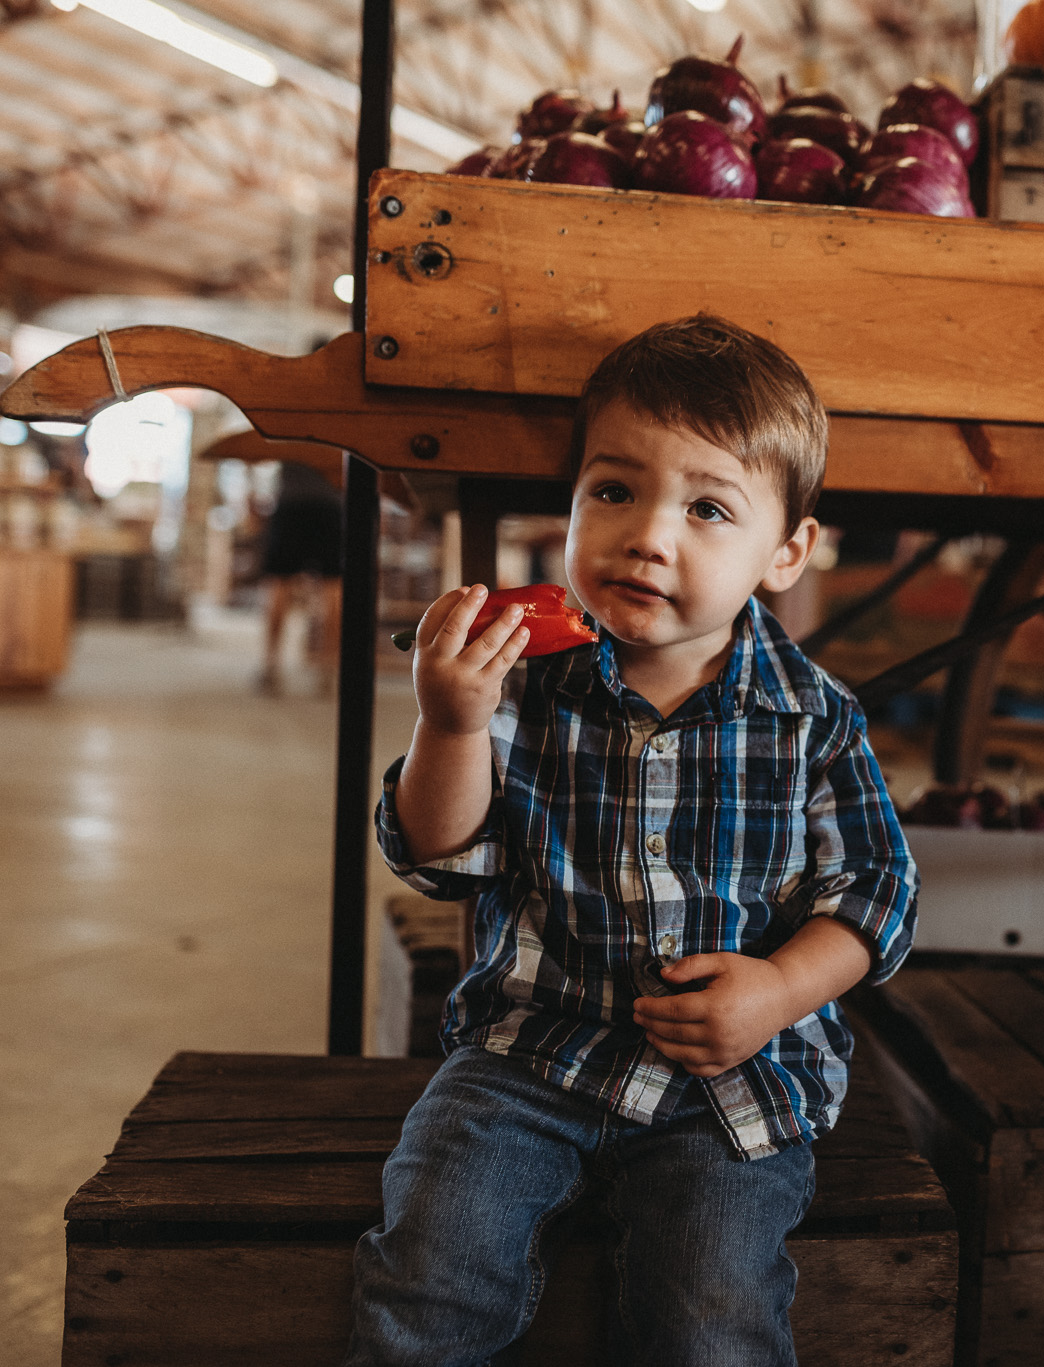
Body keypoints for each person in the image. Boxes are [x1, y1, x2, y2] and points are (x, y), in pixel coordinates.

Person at [348, 315, 918, 1365]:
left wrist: (778, 991)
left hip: (729, 1084)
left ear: (785, 551)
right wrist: (451, 722)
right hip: (529, 1055)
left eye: (707, 507)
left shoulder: (810, 715)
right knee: (430, 1264)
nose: (648, 533)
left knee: (710, 1313)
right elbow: (435, 854)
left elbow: (876, 890)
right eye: (613, 490)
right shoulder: (526, 678)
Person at [257, 456, 343, 695]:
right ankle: (327, 670)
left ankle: (270, 666)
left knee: (279, 585)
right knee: (332, 589)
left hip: (292, 505)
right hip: (329, 506)